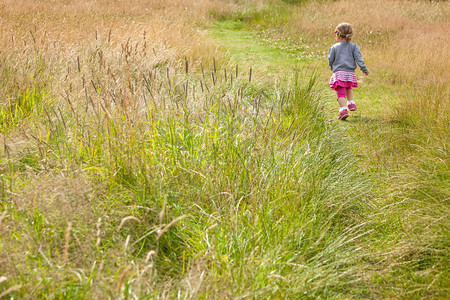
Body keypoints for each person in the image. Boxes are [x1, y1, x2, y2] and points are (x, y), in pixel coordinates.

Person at [328, 22, 369, 120]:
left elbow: (330, 60)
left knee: (340, 92)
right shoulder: (354, 46)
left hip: (339, 72)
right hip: (350, 73)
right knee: (348, 87)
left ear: (338, 35)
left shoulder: (334, 47)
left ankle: (343, 110)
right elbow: (358, 59)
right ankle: (351, 103)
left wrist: (332, 67)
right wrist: (364, 69)